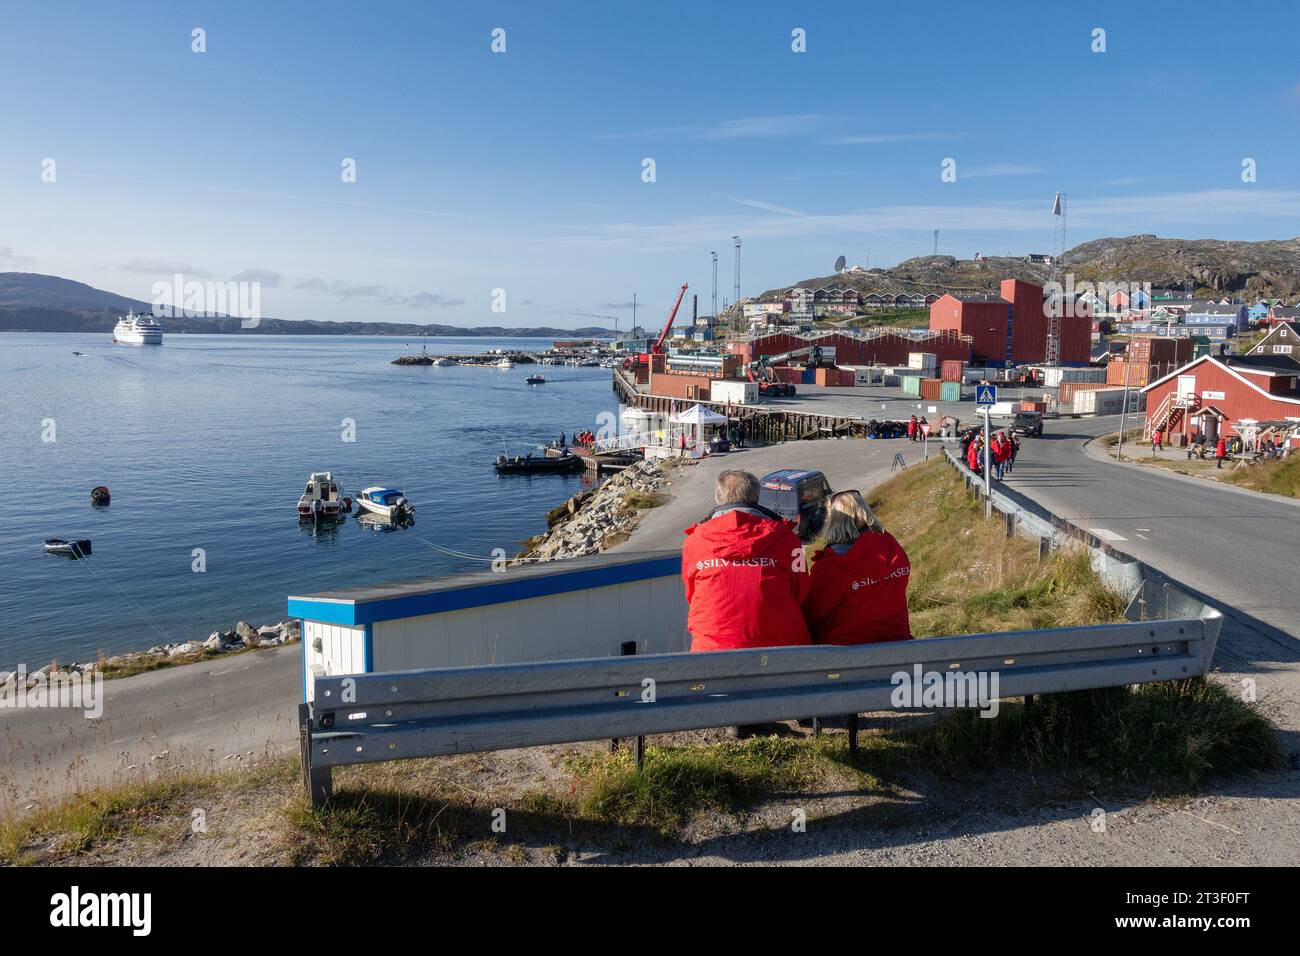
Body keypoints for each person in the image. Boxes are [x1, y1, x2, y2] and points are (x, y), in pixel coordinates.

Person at [681, 470, 811, 652]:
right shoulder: (787, 539)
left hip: (711, 650)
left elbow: (692, 594)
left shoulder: (693, 542)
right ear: (756, 497)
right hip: (781, 647)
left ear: (718, 497)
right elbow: (801, 591)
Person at [805, 491, 912, 645]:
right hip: (896, 639)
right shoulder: (891, 545)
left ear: (833, 519)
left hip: (846, 649)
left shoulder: (832, 564)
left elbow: (813, 613)